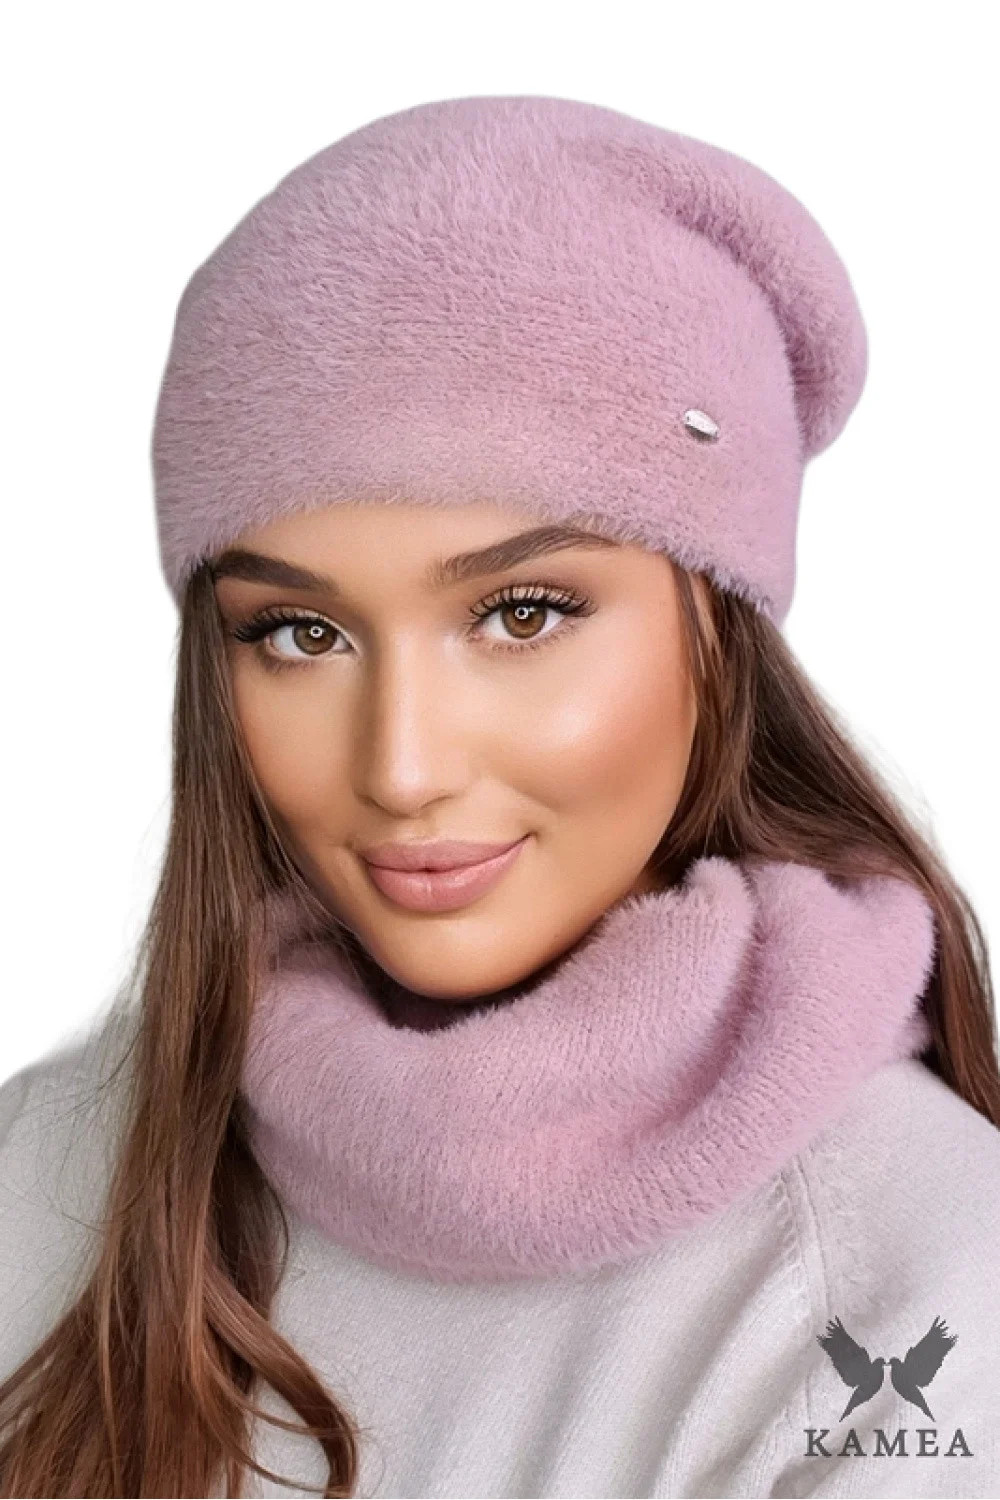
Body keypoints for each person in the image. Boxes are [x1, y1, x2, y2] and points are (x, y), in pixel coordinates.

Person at [1, 93, 998, 1500]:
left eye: (523, 614)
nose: (402, 767)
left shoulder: (912, 1276)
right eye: (300, 634)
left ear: (721, 632)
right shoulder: (43, 1173)